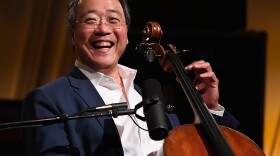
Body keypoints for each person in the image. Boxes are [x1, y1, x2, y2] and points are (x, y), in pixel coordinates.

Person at [21, 0, 239, 155]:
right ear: (72, 35)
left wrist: (209, 109)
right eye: (90, 20)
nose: (103, 29)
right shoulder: (48, 100)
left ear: (125, 33)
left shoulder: (152, 100)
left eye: (113, 20)